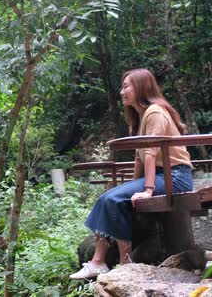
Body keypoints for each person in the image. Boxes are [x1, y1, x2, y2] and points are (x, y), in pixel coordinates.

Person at [69, 68, 194, 280]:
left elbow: (151, 154)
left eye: (126, 86)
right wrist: (133, 186)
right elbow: (140, 158)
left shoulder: (155, 112)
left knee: (114, 199)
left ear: (141, 87)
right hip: (163, 176)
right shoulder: (140, 118)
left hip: (176, 177)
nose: (122, 91)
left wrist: (147, 190)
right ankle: (98, 262)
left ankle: (124, 261)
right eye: (122, 86)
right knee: (109, 197)